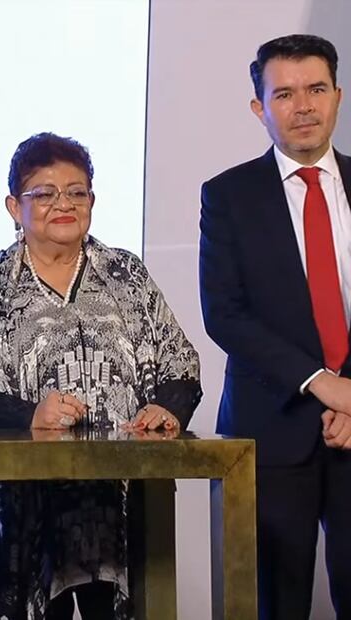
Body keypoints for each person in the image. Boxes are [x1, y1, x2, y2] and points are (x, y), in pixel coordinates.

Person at [0, 132, 201, 620]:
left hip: (119, 506)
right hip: (24, 513)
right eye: (43, 193)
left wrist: (166, 406)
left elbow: (181, 364)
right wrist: (30, 415)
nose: (63, 204)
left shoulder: (126, 274)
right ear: (12, 206)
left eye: (77, 191)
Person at [200, 33, 351, 619]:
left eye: (316, 89)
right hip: (269, 435)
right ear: (260, 109)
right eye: (284, 94)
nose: (304, 106)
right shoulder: (228, 196)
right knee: (272, 605)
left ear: (337, 96)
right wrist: (324, 383)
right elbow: (226, 313)